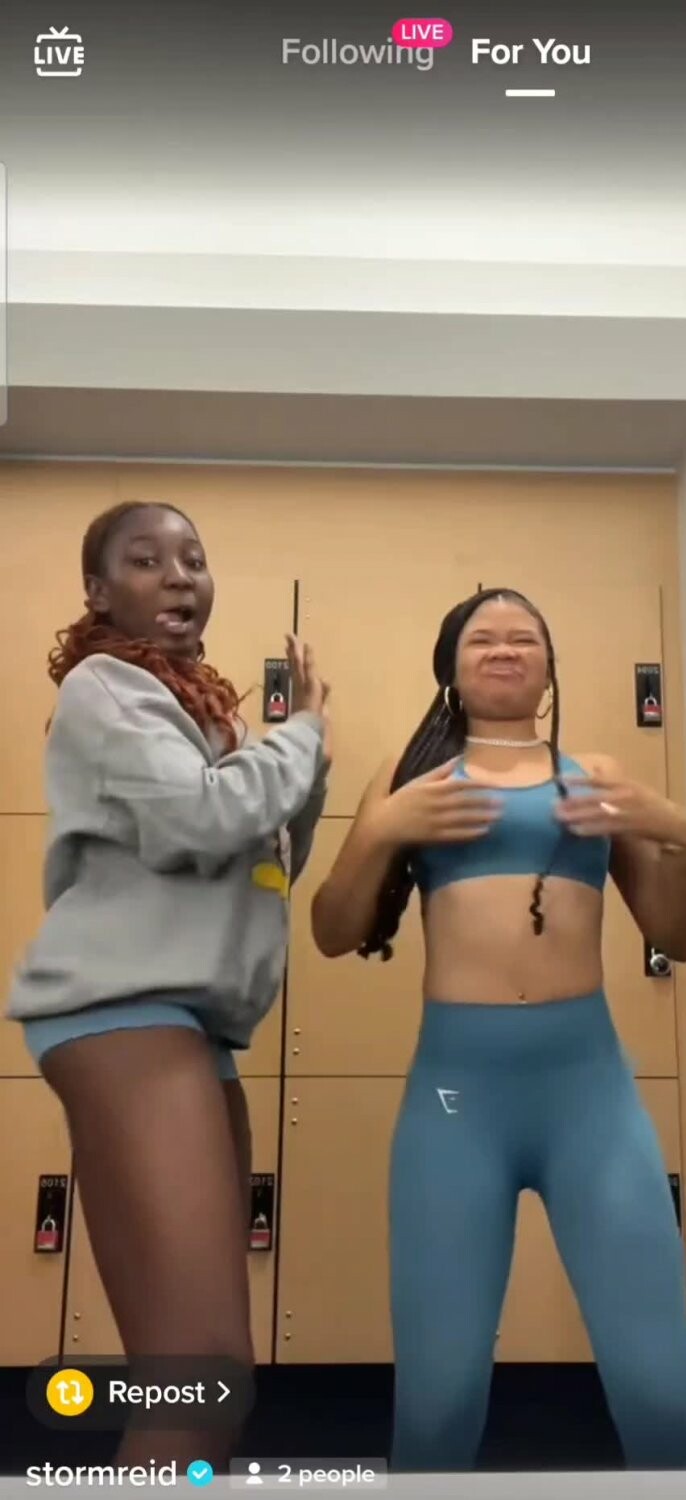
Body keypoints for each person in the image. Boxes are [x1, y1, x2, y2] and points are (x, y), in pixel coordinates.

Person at [311, 588, 686, 1472]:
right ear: (450, 667)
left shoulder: (594, 778)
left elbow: (678, 936)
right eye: (482, 638)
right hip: (457, 1105)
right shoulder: (410, 777)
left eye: (523, 637)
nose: (503, 648)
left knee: (662, 1396)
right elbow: (333, 931)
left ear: (549, 666)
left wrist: (679, 837)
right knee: (438, 1403)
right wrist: (379, 830)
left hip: (590, 1100)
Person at [7, 501, 330, 1473]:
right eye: (146, 560)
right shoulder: (106, 686)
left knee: (201, 1382)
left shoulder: (197, 712)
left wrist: (299, 762)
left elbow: (263, 857)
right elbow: (202, 820)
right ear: (100, 592)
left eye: (193, 558)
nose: (179, 575)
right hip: (124, 1014)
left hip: (182, 1025)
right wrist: (303, 734)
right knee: (204, 1375)